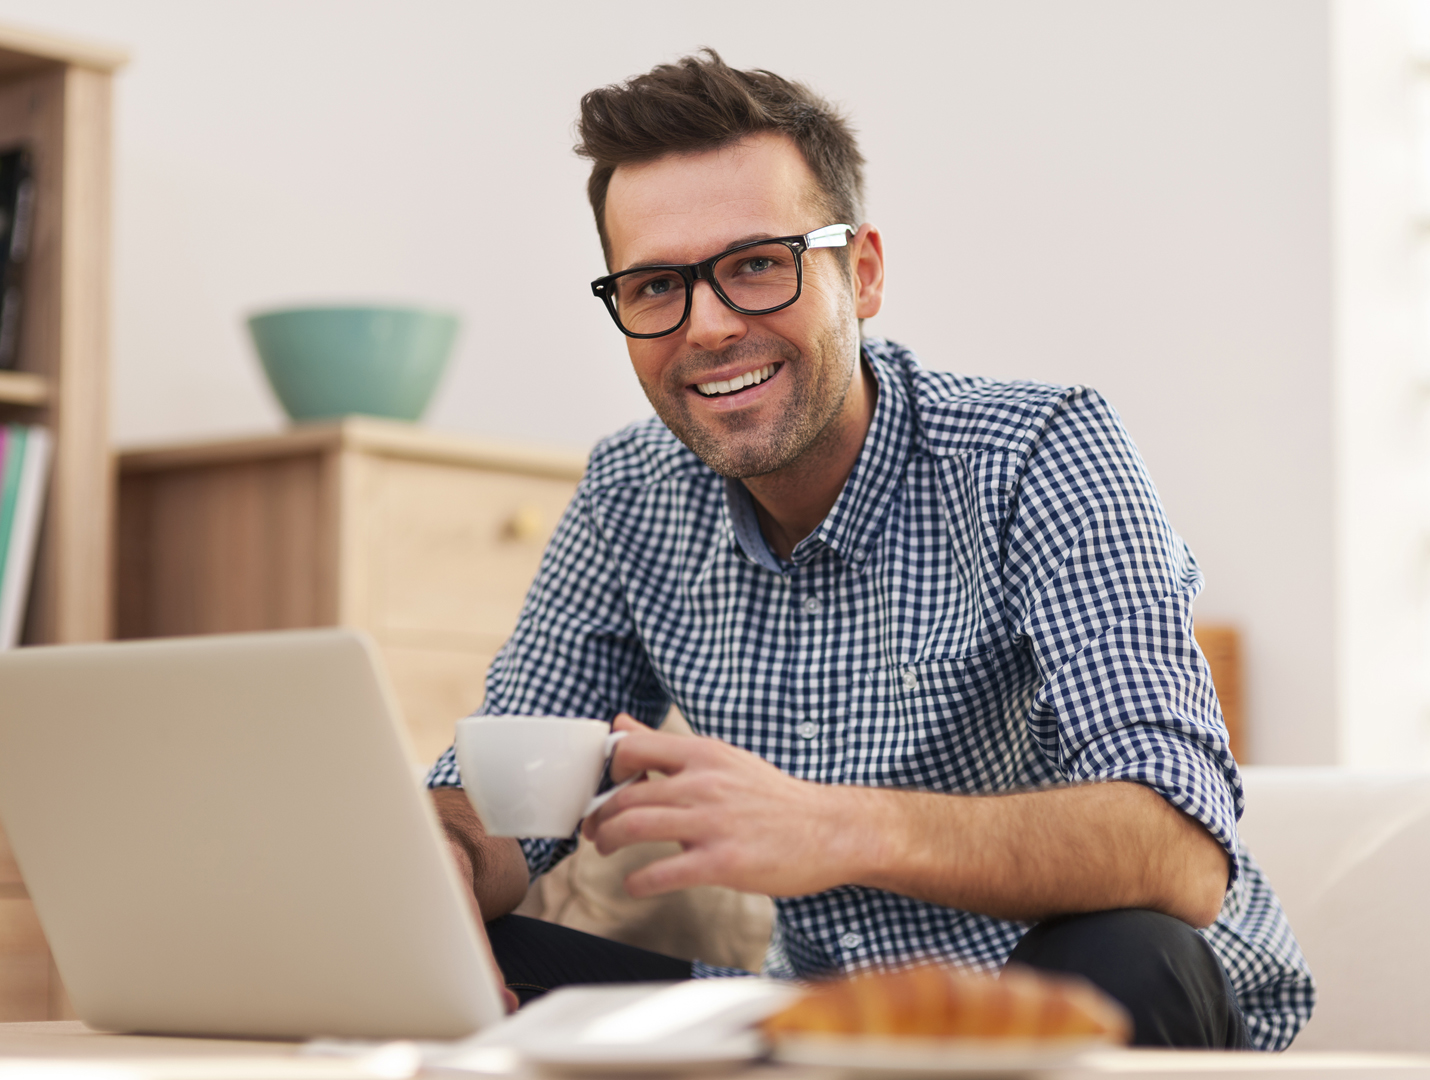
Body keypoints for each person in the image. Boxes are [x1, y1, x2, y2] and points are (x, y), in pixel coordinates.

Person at [426, 49, 1314, 1050]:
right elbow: (504, 796)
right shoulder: (629, 495)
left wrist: (833, 825)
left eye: (758, 265)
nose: (708, 326)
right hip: (824, 1023)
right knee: (459, 958)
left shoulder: (1041, 453)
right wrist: (440, 858)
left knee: (1125, 953)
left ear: (865, 272)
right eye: (655, 285)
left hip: (1075, 996)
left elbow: (1178, 848)